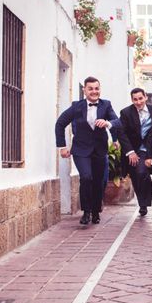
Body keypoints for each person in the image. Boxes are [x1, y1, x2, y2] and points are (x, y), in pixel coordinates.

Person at [55, 76, 120, 225]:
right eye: (90, 88)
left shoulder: (106, 105)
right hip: (80, 150)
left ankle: (96, 211)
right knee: (86, 177)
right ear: (84, 90)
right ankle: (86, 212)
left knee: (99, 181)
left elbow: (117, 122)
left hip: (99, 149)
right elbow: (60, 123)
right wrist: (62, 146)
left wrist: (109, 125)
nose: (94, 91)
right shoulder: (76, 106)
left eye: (96, 88)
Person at [116, 88, 152, 216]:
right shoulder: (126, 112)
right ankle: (143, 204)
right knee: (137, 175)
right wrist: (130, 152)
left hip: (151, 148)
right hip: (134, 150)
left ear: (145, 97)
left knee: (142, 173)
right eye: (135, 99)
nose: (138, 102)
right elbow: (121, 133)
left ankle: (148, 200)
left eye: (140, 98)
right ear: (132, 100)